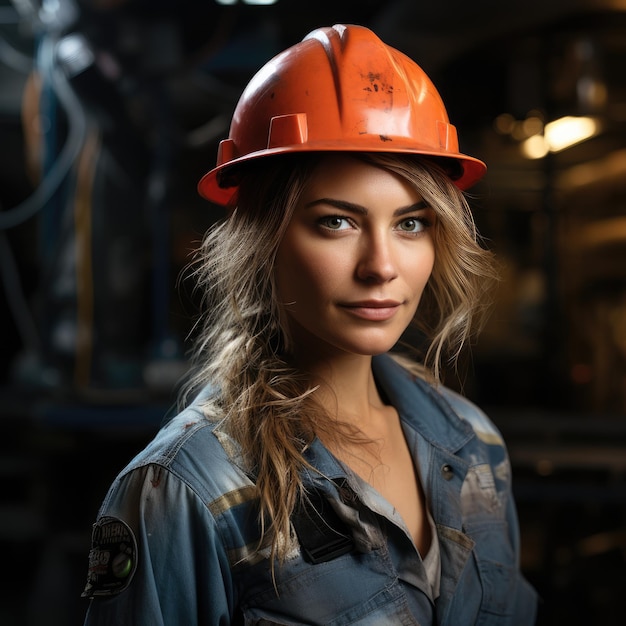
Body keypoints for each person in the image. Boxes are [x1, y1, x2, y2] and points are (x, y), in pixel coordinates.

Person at [81, 23, 538, 625]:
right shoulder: (188, 490)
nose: (381, 268)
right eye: (336, 223)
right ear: (261, 241)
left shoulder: (474, 446)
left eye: (409, 224)